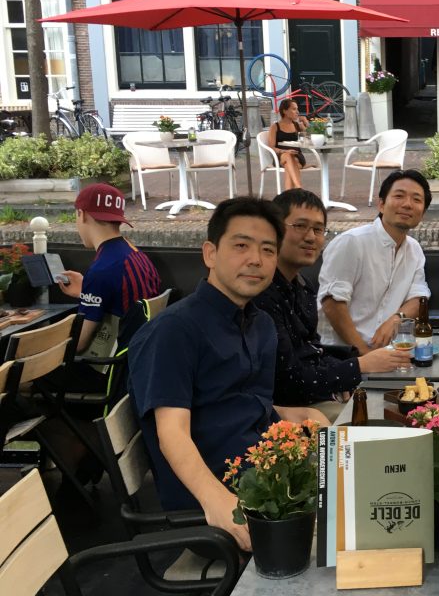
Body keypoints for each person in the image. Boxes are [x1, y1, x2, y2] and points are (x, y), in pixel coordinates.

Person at [128, 198, 328, 552]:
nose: (256, 259)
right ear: (210, 253)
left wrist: (297, 415)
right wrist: (218, 502)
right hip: (217, 506)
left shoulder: (259, 324)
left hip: (270, 476)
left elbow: (244, 405)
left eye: (268, 250)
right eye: (241, 246)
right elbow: (171, 433)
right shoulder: (174, 331)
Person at [252, 189, 412, 420]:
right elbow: (288, 381)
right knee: (385, 416)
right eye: (300, 226)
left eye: (318, 229)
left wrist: (348, 371)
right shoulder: (262, 294)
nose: (311, 237)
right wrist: (358, 365)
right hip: (284, 411)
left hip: (317, 392)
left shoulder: (302, 286)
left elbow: (312, 351)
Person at [57, 183, 162, 388]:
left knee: (21, 370)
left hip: (109, 374)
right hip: (140, 365)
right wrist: (86, 292)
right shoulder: (137, 255)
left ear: (82, 214)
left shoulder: (101, 270)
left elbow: (79, 345)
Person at [318, 170, 431, 355]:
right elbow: (332, 303)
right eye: (399, 196)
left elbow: (419, 297)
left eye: (416, 200)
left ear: (423, 213)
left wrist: (396, 319)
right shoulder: (352, 242)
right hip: (341, 354)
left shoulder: (414, 249)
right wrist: (365, 355)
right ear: (381, 204)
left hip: (389, 353)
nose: (407, 204)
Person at [267, 97, 310, 191]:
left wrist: (305, 123)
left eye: (297, 109)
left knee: (289, 165)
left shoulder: (297, 125)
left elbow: (309, 139)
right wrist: (284, 151)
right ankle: (298, 188)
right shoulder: (275, 127)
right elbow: (271, 147)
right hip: (281, 157)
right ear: (285, 111)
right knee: (288, 156)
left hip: (297, 156)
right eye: (294, 109)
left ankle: (293, 192)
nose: (297, 112)